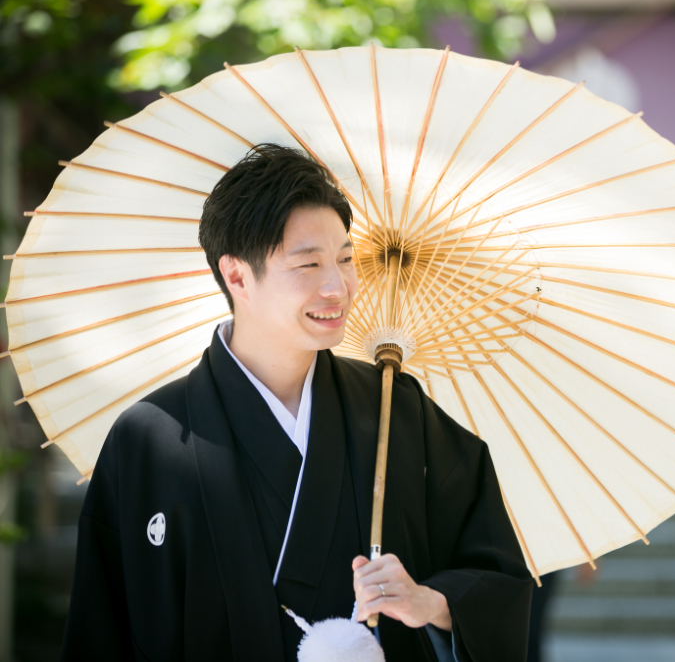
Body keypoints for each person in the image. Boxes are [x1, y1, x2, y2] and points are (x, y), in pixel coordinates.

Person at [61, 144, 533, 661]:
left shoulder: (394, 411)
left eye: (346, 259)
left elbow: (496, 575)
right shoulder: (148, 438)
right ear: (237, 276)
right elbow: (100, 630)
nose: (339, 286)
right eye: (308, 264)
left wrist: (429, 602)